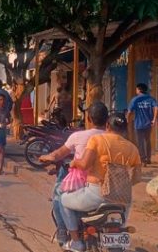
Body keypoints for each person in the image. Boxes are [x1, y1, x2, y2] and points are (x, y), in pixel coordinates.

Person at [60, 112, 142, 252]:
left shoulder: (97, 140)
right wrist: (119, 184)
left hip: (96, 195)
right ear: (124, 129)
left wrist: (74, 162)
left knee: (63, 199)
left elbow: (84, 164)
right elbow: (136, 178)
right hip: (123, 201)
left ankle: (76, 242)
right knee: (121, 222)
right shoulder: (133, 148)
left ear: (107, 125)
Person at [39, 102, 109, 246]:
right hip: (110, 186)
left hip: (87, 184)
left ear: (88, 119)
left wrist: (45, 157)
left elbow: (58, 155)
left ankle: (64, 232)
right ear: (107, 120)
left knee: (59, 195)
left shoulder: (79, 136)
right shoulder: (112, 138)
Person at [126, 83, 158, 165]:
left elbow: (129, 111)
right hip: (148, 124)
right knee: (147, 141)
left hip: (138, 124)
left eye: (136, 89)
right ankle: (148, 158)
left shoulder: (135, 99)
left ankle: (143, 159)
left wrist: (127, 120)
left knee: (140, 142)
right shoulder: (151, 99)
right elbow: (156, 108)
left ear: (139, 90)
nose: (136, 91)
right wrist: (154, 119)